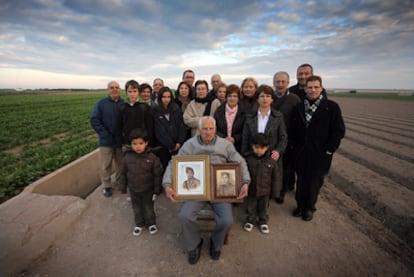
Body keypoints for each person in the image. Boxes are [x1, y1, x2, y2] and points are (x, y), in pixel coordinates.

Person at [162, 116, 251, 264]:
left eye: (211, 128)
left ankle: (216, 243)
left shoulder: (225, 145)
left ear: (215, 129)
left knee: (227, 220)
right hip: (197, 190)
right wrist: (167, 184)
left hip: (219, 190)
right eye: (204, 129)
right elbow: (174, 164)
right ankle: (194, 244)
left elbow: (240, 162)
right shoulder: (189, 145)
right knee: (185, 216)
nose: (208, 132)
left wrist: (245, 182)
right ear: (198, 130)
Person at [289, 75, 345, 221]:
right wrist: (294, 147)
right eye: (310, 87)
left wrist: (329, 150)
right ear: (305, 89)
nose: (313, 90)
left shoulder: (331, 107)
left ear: (321, 88)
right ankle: (300, 206)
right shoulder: (299, 107)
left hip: (320, 153)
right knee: (301, 180)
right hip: (301, 152)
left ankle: (309, 208)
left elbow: (338, 131)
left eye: (316, 87)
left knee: (314, 181)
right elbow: (293, 129)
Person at [118, 128, 163, 236]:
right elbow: (123, 173)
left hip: (148, 190)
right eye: (134, 143)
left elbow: (157, 175)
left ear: (146, 143)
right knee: (136, 208)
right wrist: (123, 187)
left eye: (141, 143)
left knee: (148, 208)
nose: (138, 146)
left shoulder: (153, 158)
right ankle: (139, 224)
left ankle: (151, 223)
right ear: (131, 144)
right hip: (133, 190)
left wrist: (157, 190)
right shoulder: (127, 157)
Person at [90, 81, 125, 197]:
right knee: (106, 165)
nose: (114, 89)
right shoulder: (101, 104)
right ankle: (107, 186)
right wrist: (104, 134)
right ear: (108, 90)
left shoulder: (123, 104)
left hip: (120, 141)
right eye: (111, 88)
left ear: (120, 90)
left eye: (116, 87)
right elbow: (94, 120)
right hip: (106, 141)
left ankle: (120, 183)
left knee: (121, 164)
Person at [271, 71, 301, 203]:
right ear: (274, 83)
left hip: (287, 139)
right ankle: (271, 190)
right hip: (271, 139)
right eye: (277, 81)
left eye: (283, 81)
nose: (280, 84)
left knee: (285, 168)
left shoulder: (294, 99)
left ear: (288, 83)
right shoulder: (269, 97)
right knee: (271, 166)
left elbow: (298, 121)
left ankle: (281, 192)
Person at [243, 133, 281, 234]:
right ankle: (250, 220)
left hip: (265, 191)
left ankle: (263, 221)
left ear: (266, 147)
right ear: (252, 146)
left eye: (261, 148)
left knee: (263, 207)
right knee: (251, 206)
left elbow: (276, 177)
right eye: (256, 147)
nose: (258, 150)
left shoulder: (271, 161)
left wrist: (276, 192)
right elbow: (243, 173)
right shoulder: (248, 158)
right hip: (252, 189)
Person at [152, 86, 187, 170]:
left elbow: (181, 126)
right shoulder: (155, 111)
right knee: (165, 167)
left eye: (168, 97)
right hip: (163, 146)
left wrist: (179, 142)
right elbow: (159, 130)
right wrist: (170, 145)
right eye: (164, 97)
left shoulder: (176, 109)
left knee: (177, 168)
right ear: (160, 97)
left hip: (177, 145)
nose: (166, 99)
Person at [117, 80, 154, 149]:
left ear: (138, 92)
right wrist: (121, 143)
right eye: (130, 91)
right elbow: (119, 127)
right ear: (126, 92)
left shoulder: (144, 107)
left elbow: (150, 127)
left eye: (134, 91)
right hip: (128, 143)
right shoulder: (122, 107)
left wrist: (148, 142)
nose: (132, 94)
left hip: (142, 143)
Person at [214, 84, 246, 153]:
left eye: (235, 96)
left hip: (238, 147)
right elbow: (214, 128)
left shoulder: (244, 112)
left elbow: (245, 130)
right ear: (226, 97)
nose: (232, 98)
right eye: (230, 96)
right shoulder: (219, 111)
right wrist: (223, 138)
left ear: (238, 98)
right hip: (221, 145)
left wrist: (235, 138)